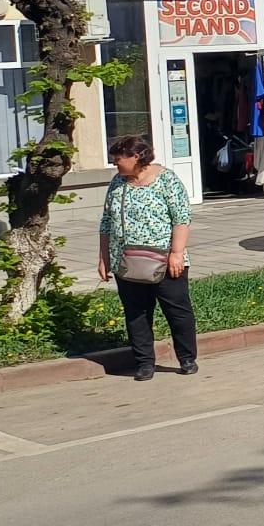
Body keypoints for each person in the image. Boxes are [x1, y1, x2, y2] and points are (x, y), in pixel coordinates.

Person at [97, 134, 197, 382]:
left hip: (165, 260)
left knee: (177, 310)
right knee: (136, 313)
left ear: (136, 157)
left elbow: (182, 218)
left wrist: (176, 253)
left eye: (118, 159)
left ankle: (186, 358)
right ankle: (144, 363)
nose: (115, 163)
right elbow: (106, 222)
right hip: (127, 261)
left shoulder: (167, 180)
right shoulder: (117, 183)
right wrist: (104, 258)